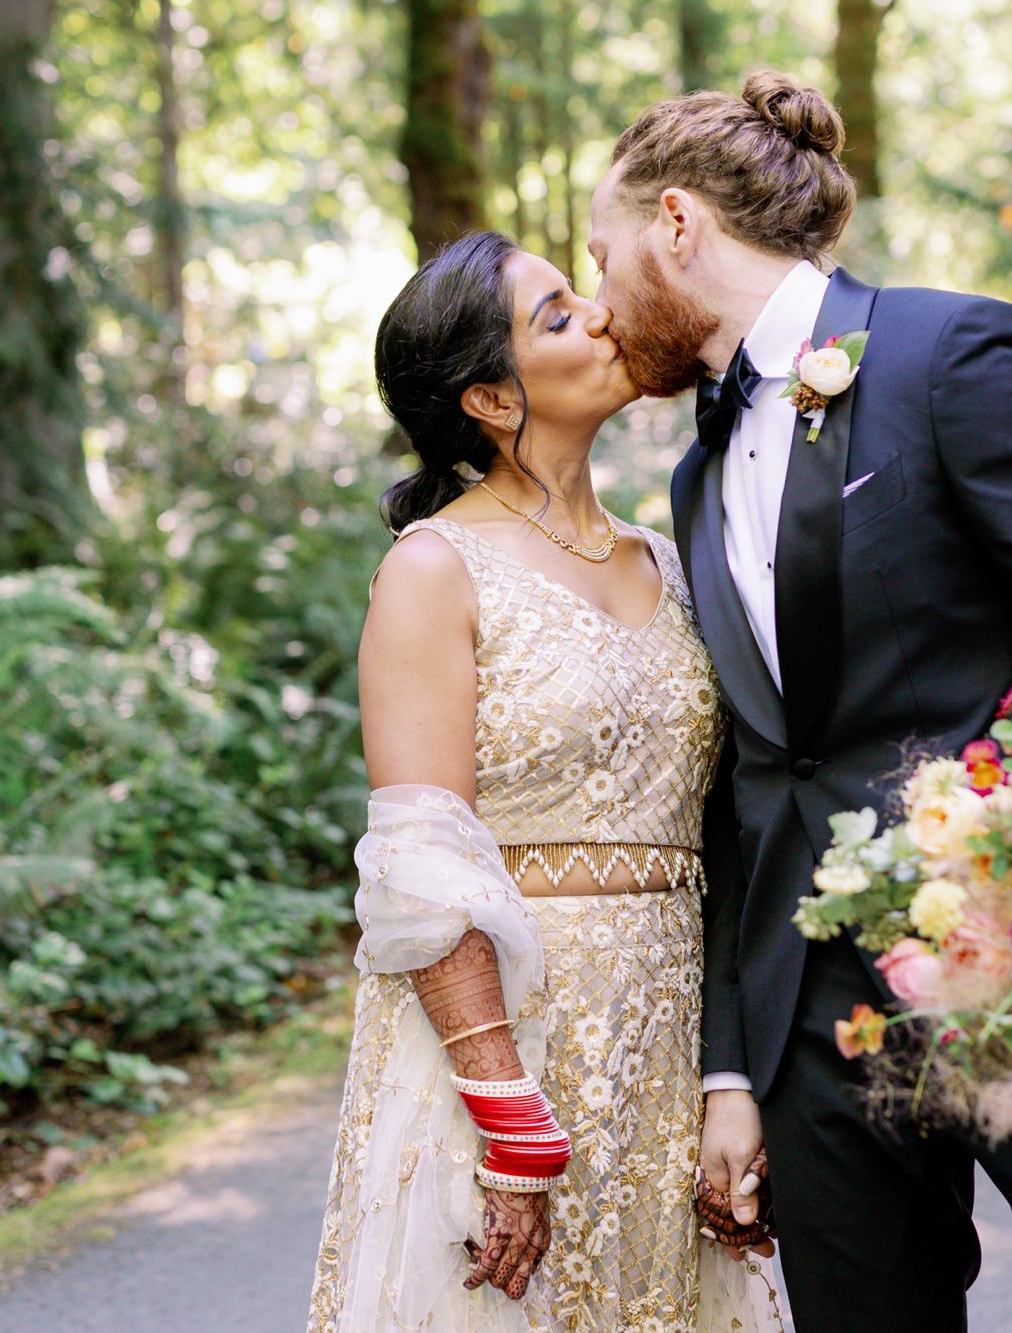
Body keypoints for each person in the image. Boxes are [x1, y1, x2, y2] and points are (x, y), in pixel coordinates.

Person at [585, 71, 1012, 1332]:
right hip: (813, 1026)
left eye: (599, 254)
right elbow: (749, 778)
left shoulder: (956, 353)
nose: (599, 299)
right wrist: (731, 1059)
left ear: (674, 225)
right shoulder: (695, 478)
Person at [307, 230, 789, 1331]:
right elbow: (420, 860)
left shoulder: (667, 559)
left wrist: (734, 1073)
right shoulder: (434, 568)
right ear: (488, 396)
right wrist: (504, 1115)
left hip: (666, 1042)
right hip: (509, 1047)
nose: (605, 316)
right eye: (558, 316)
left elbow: (729, 824)